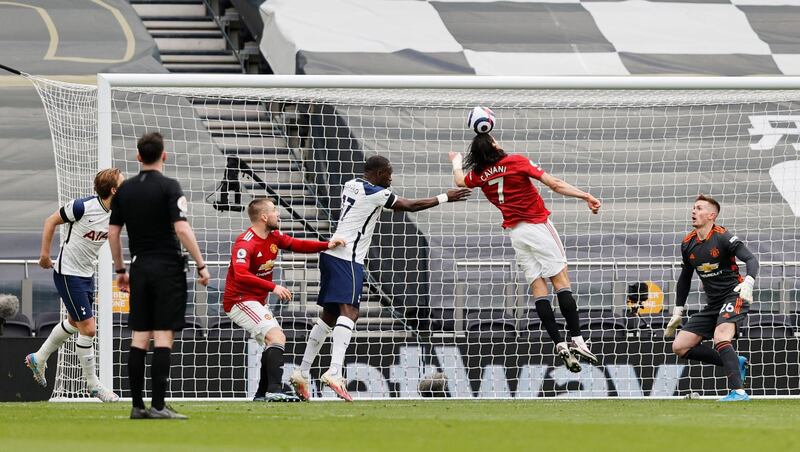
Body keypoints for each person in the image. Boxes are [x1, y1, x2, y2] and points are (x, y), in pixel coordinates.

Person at [289, 155, 471, 401]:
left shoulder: (351, 184)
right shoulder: (376, 193)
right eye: (388, 173)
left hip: (330, 254)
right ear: (377, 173)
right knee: (350, 312)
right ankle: (333, 371)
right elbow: (409, 205)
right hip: (347, 258)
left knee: (329, 317)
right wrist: (445, 197)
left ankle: (302, 371)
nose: (391, 177)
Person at [448, 133, 601, 373]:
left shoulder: (478, 175)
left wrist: (456, 160)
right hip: (537, 226)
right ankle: (578, 340)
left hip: (516, 233)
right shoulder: (515, 161)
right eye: (496, 139)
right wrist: (586, 195)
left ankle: (559, 343)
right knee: (561, 281)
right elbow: (555, 184)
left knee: (538, 287)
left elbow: (459, 181)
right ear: (494, 146)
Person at [108, 132, 211, 419]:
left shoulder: (125, 190)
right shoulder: (169, 186)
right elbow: (181, 228)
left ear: (138, 156)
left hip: (139, 268)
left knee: (139, 337)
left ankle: (137, 407)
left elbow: (113, 233)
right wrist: (201, 264)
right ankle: (159, 405)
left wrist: (120, 270)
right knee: (163, 336)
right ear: (163, 155)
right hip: (167, 268)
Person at [223, 198, 345, 402]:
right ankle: (274, 390)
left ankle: (262, 393)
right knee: (277, 337)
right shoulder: (246, 243)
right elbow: (241, 274)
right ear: (263, 216)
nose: (278, 214)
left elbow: (296, 244)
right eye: (274, 211)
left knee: (272, 341)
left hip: (256, 301)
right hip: (239, 300)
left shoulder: (274, 236)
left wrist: (327, 245)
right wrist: (274, 287)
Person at [26, 168, 124, 402]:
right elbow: (50, 221)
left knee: (73, 322)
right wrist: (44, 255)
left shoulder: (119, 212)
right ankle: (93, 384)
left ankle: (38, 358)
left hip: (86, 274)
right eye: (123, 183)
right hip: (68, 274)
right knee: (88, 328)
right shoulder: (82, 207)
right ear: (113, 190)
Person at [666, 194, 757, 402]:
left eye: (699, 208)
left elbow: (751, 258)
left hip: (735, 295)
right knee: (679, 346)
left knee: (721, 336)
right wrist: (678, 310)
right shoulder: (688, 243)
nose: (693, 211)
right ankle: (736, 361)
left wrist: (749, 282)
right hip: (713, 303)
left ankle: (739, 392)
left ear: (711, 215)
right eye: (693, 208)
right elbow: (685, 277)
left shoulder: (723, 236)